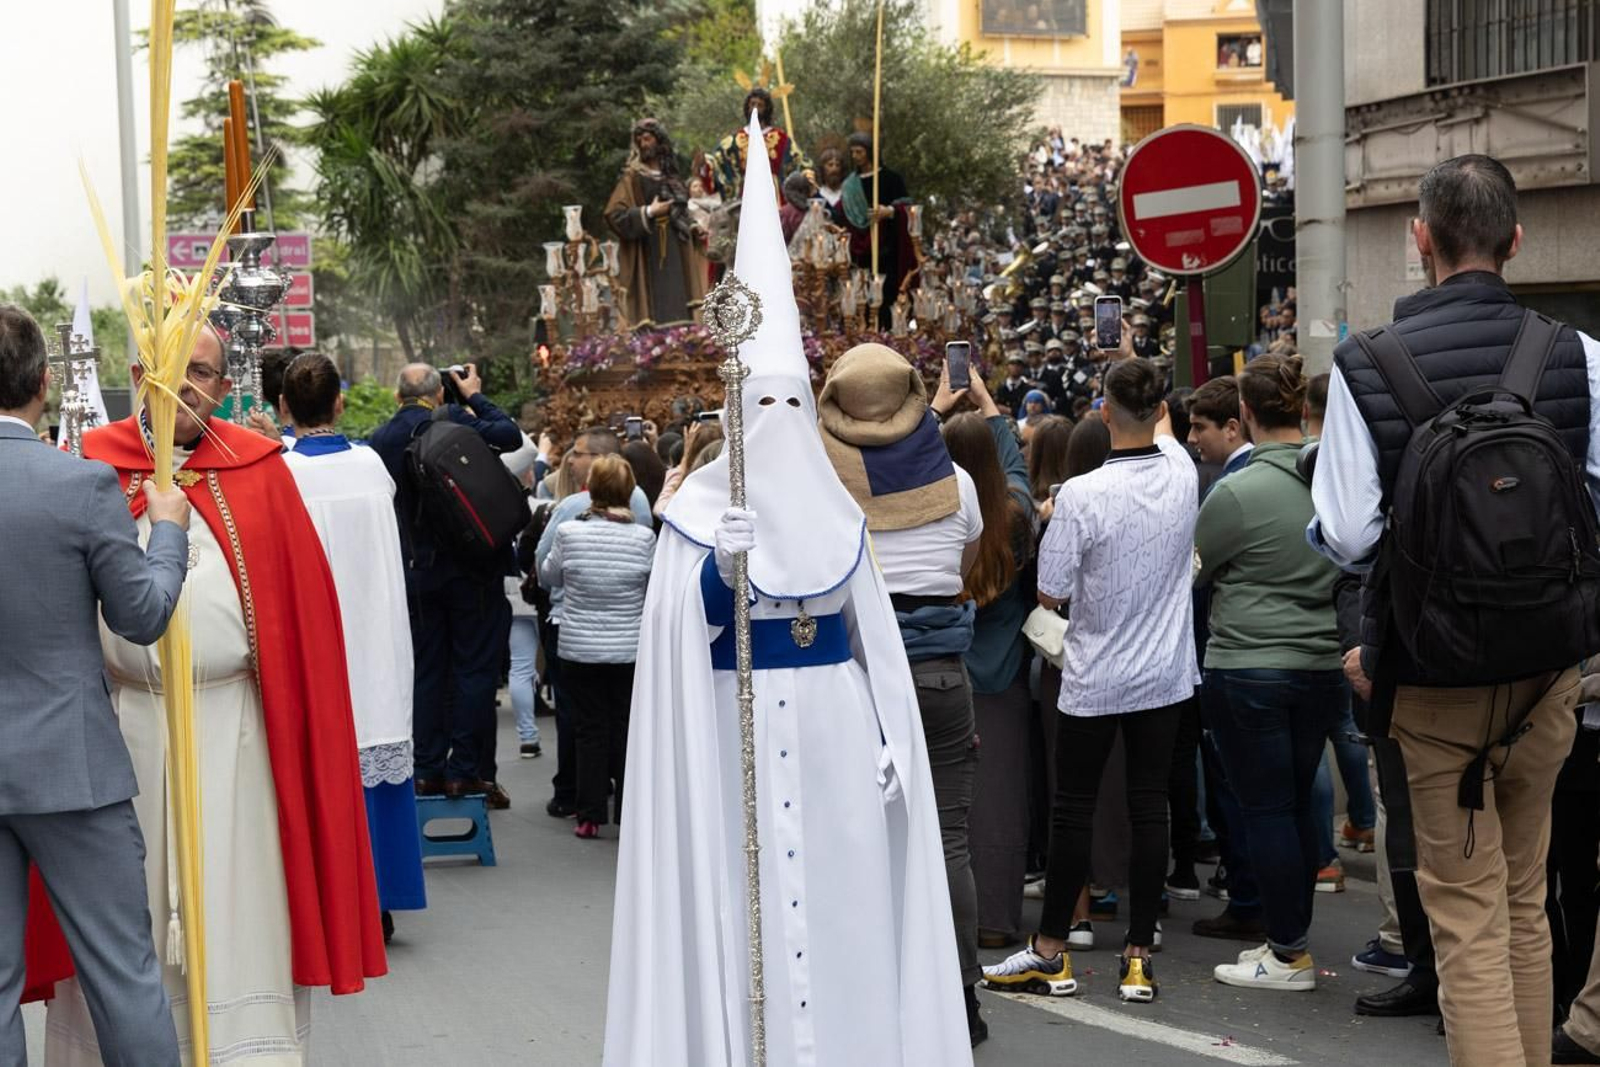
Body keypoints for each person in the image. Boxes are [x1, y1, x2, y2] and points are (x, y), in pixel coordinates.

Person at [604, 115, 970, 1066]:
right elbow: (673, 656)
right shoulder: (694, 517)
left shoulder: (845, 519)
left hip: (838, 738)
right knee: (740, 909)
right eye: (757, 404)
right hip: (728, 731)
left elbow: (873, 645)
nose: (773, 423)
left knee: (844, 917)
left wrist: (891, 737)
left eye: (789, 406)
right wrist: (707, 581)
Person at [1311, 154, 1599, 1067]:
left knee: (1464, 911)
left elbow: (1349, 534)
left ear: (1419, 239)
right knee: (1524, 895)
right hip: (1549, 671)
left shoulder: (1367, 364)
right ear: (1516, 240)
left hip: (1433, 681)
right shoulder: (1576, 355)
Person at [40, 325, 386, 1062]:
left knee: (240, 905)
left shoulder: (260, 467)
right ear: (141, 373)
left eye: (204, 372)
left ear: (226, 385)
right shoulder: (93, 466)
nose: (188, 386)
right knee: (122, 918)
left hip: (236, 733)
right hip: (123, 731)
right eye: (175, 370)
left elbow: (302, 620)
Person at [1, 304, 190, 1064]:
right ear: (45, 384)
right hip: (70, 762)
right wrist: (168, 530)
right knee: (121, 973)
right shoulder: (83, 484)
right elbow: (142, 615)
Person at [983, 357, 1197, 1005]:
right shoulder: (1183, 471)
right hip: (1163, 671)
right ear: (1160, 410)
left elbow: (1050, 591)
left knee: (1073, 806)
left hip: (1095, 671)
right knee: (1147, 800)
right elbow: (1163, 429)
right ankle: (1138, 954)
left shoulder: (1080, 493)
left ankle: (1051, 951)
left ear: (1103, 414)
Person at [818, 343, 987, 1042]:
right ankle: (963, 999)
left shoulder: (825, 493)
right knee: (947, 841)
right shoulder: (956, 483)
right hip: (943, 672)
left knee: (857, 839)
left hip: (855, 683)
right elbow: (966, 565)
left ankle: (873, 993)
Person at [1194, 353, 1344, 992]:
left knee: (1267, 808)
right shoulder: (1333, 482)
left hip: (1250, 662)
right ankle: (1291, 942)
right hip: (1318, 661)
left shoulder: (1236, 491)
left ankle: (1288, 952)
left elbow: (1198, 572)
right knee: (1297, 801)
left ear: (1246, 416)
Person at [278, 353, 426, 942]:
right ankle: (381, 898)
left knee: (320, 753)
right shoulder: (370, 466)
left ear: (284, 407)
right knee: (377, 737)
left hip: (315, 638)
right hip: (376, 634)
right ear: (340, 402)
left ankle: (326, 899)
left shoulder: (282, 471)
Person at [369, 363, 522, 808]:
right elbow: (509, 435)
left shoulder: (381, 441)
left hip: (417, 572)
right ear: (439, 394)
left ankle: (426, 768)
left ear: (398, 397)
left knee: (428, 670)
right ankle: (465, 771)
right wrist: (473, 394)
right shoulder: (458, 421)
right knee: (474, 670)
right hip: (473, 570)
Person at [936, 391, 1037, 957]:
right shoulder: (1013, 516)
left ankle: (947, 921)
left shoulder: (930, 515)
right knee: (1001, 801)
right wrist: (995, 414)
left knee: (949, 810)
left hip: (946, 665)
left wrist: (928, 410)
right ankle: (997, 917)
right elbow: (1018, 475)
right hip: (1004, 674)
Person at [534, 427, 654, 819]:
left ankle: (587, 812)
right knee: (621, 724)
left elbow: (548, 573)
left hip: (579, 643)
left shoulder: (569, 530)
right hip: (627, 645)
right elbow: (649, 583)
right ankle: (625, 808)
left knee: (587, 727)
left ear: (590, 487)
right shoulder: (643, 537)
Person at [604, 118, 708, 326]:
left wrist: (694, 227)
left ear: (659, 141)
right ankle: (655, 343)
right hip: (648, 251)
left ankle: (682, 338)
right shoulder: (632, 177)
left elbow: (681, 211)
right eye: (640, 140)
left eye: (648, 138)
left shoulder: (672, 176)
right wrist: (649, 211)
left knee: (679, 298)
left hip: (677, 249)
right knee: (657, 303)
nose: (644, 144)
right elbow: (614, 214)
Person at [841, 131, 912, 326]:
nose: (855, 156)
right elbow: (845, 216)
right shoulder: (849, 185)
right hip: (860, 252)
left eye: (859, 152)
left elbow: (907, 208)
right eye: (853, 152)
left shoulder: (890, 178)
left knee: (886, 296)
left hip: (887, 249)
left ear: (870, 153)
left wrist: (889, 211)